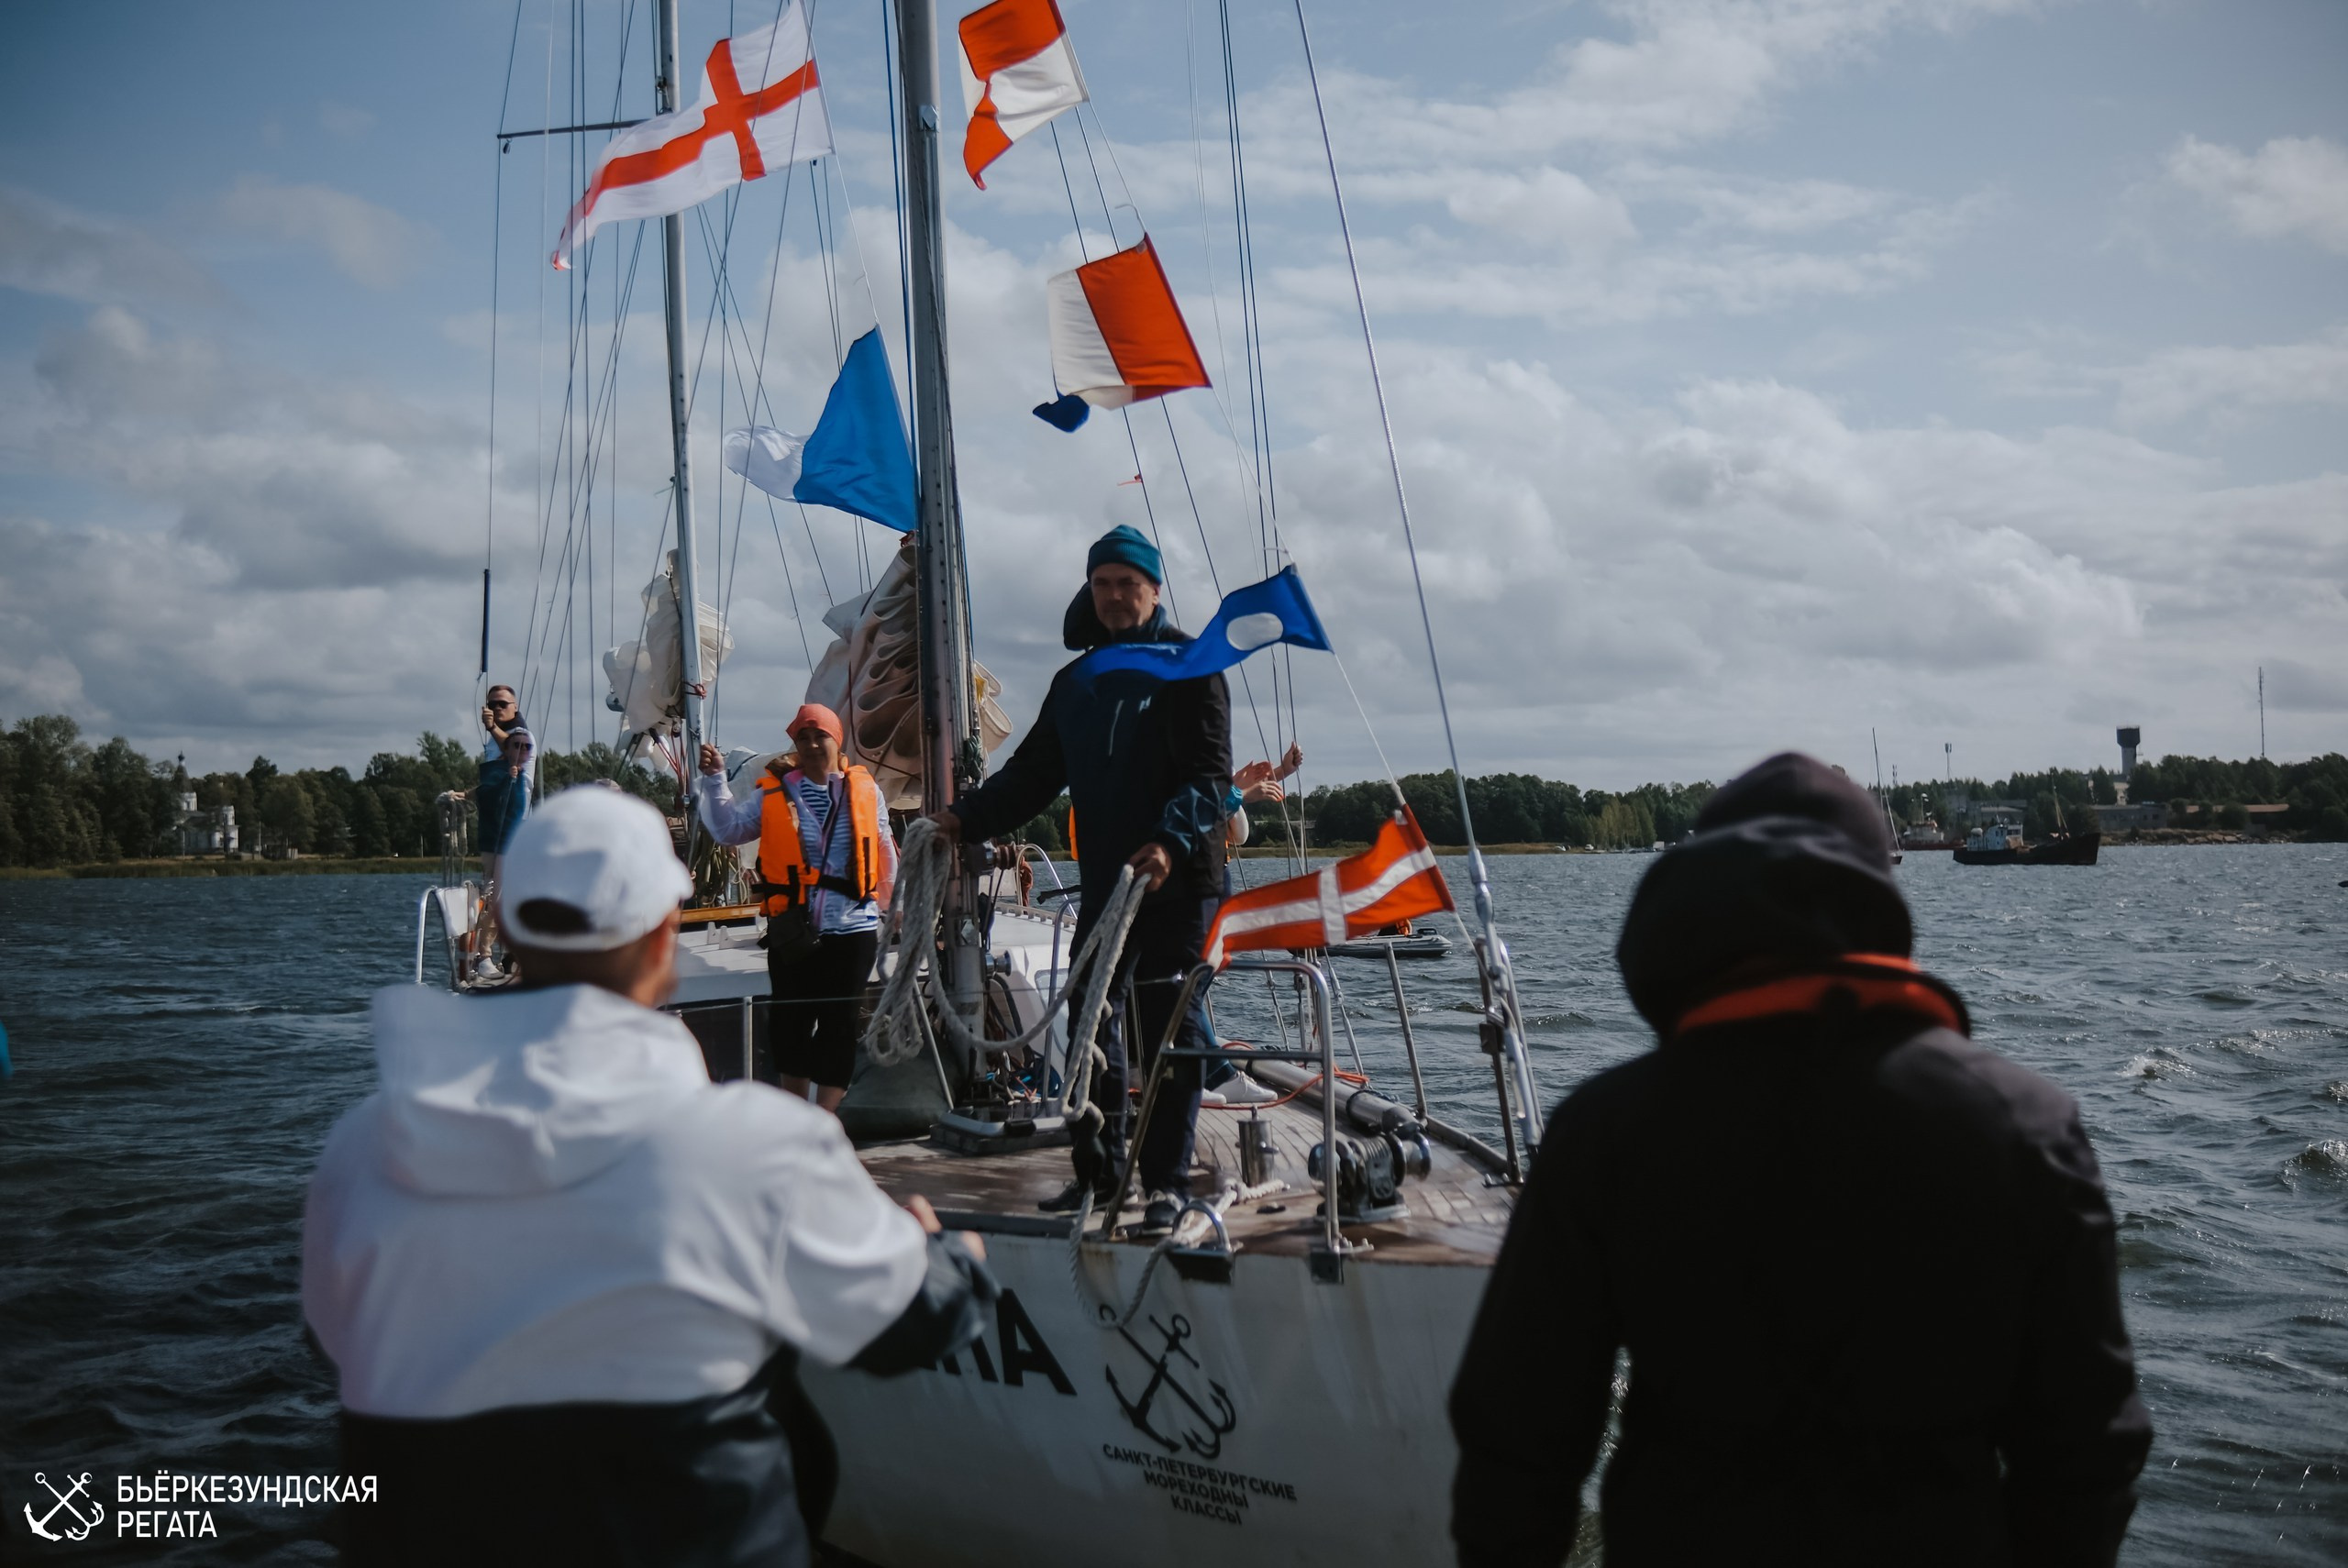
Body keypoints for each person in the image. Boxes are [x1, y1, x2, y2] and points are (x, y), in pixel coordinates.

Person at [1447, 753, 2151, 1568]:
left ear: (1697, 901)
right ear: (1877, 898)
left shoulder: (1606, 1134)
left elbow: (1517, 1440)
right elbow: (2091, 1443)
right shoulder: (2025, 1126)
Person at [304, 785, 991, 1566]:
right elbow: (909, 1322)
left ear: (503, 928)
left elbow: (332, 1341)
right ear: (666, 935)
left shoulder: (361, 1152)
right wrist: (947, 1258)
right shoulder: (755, 1147)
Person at [927, 525, 1232, 1235]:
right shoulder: (1079, 683)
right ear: (1089, 592)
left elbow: (1211, 778)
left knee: (1171, 1032)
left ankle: (1164, 1185)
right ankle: (1100, 1172)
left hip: (1178, 885)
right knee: (1093, 1027)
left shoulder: (1192, 664)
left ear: (1155, 590)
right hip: (1106, 882)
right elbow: (1033, 776)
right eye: (1103, 584)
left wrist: (1169, 841)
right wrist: (960, 820)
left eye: (1130, 583)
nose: (1117, 596)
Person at [694, 703, 898, 1112]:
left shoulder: (865, 791)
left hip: (854, 927)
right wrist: (716, 779)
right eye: (802, 737)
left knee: (838, 1026)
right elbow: (728, 829)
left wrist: (895, 906)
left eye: (819, 735)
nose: (810, 744)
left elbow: (884, 848)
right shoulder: (775, 792)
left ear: (836, 740)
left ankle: (823, 1117)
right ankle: (796, 1112)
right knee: (790, 1025)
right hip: (793, 928)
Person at [1201, 742, 1303, 1110]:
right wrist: (1244, 790)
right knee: (1191, 982)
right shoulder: (1170, 758)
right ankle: (1213, 1075)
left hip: (1210, 884)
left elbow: (1219, 794)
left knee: (1195, 981)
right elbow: (1201, 806)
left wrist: (1279, 772)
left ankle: (1208, 1073)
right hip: (1193, 886)